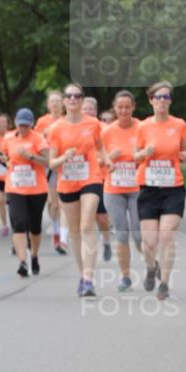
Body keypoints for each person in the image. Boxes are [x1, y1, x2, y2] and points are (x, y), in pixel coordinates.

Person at [46, 84, 107, 297]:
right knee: (74, 231)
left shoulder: (93, 124)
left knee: (86, 225)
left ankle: (89, 278)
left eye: (77, 96)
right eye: (69, 96)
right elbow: (52, 163)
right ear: (64, 101)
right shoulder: (56, 129)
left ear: (82, 100)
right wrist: (65, 157)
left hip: (91, 177)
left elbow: (100, 147)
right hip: (67, 181)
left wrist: (107, 160)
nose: (73, 99)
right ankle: (83, 275)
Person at [133, 81, 186, 301]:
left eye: (166, 97)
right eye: (158, 97)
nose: (162, 101)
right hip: (149, 188)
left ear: (170, 101)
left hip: (173, 188)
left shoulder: (179, 125)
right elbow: (135, 156)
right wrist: (144, 153)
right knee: (148, 243)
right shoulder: (143, 127)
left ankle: (165, 283)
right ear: (150, 100)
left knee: (167, 236)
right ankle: (151, 267)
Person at [0, 108, 48, 277]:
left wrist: (30, 156)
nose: (23, 129)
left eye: (26, 126)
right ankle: (22, 261)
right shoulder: (8, 138)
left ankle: (34, 255)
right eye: (21, 125)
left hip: (37, 189)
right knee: (19, 223)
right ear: (16, 123)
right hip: (15, 187)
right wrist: (5, 160)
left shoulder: (39, 138)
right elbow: (2, 155)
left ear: (32, 124)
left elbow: (47, 161)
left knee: (35, 226)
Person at [101, 90, 142, 292]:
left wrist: (140, 156)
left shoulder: (143, 128)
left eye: (127, 107)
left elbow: (153, 154)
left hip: (138, 187)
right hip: (114, 188)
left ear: (133, 107)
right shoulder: (107, 132)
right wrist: (109, 157)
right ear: (114, 108)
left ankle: (152, 264)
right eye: (120, 107)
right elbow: (97, 160)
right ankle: (125, 276)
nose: (124, 110)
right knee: (121, 233)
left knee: (139, 232)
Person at [35, 90, 68, 253]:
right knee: (53, 204)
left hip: (66, 164)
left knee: (63, 203)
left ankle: (62, 238)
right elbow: (35, 140)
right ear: (48, 105)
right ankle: (56, 229)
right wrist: (45, 134)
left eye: (57, 101)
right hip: (49, 165)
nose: (55, 104)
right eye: (52, 101)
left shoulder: (67, 120)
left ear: (63, 103)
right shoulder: (42, 122)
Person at [82, 96, 112, 262]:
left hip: (101, 175)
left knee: (101, 217)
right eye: (85, 109)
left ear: (96, 111)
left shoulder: (103, 128)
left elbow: (109, 149)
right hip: (82, 179)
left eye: (91, 109)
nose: (88, 112)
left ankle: (106, 241)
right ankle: (88, 248)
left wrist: (105, 159)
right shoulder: (75, 127)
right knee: (86, 217)